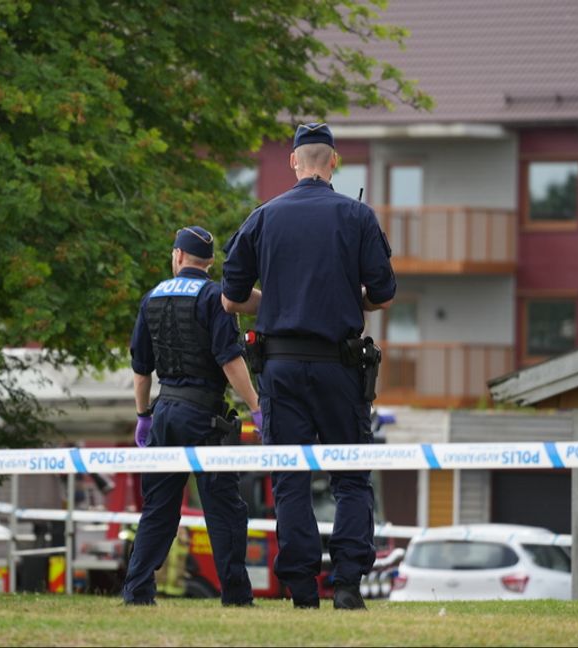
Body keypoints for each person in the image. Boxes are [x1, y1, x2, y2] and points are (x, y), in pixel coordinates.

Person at [220, 122, 396, 610]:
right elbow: (382, 295)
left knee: (290, 478)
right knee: (351, 477)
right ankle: (345, 586)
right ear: (334, 162)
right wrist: (345, 298)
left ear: (294, 163)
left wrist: (275, 301)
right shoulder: (357, 216)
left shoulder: (262, 218)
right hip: (340, 368)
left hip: (279, 369)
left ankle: (301, 590)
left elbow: (231, 299)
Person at [122, 225, 262, 607]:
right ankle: (236, 595)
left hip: (165, 412)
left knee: (159, 508)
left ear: (178, 256)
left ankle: (137, 591)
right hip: (205, 416)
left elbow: (140, 368)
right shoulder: (215, 296)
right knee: (224, 508)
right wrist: (255, 406)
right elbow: (229, 359)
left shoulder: (152, 297)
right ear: (210, 262)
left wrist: (143, 415)